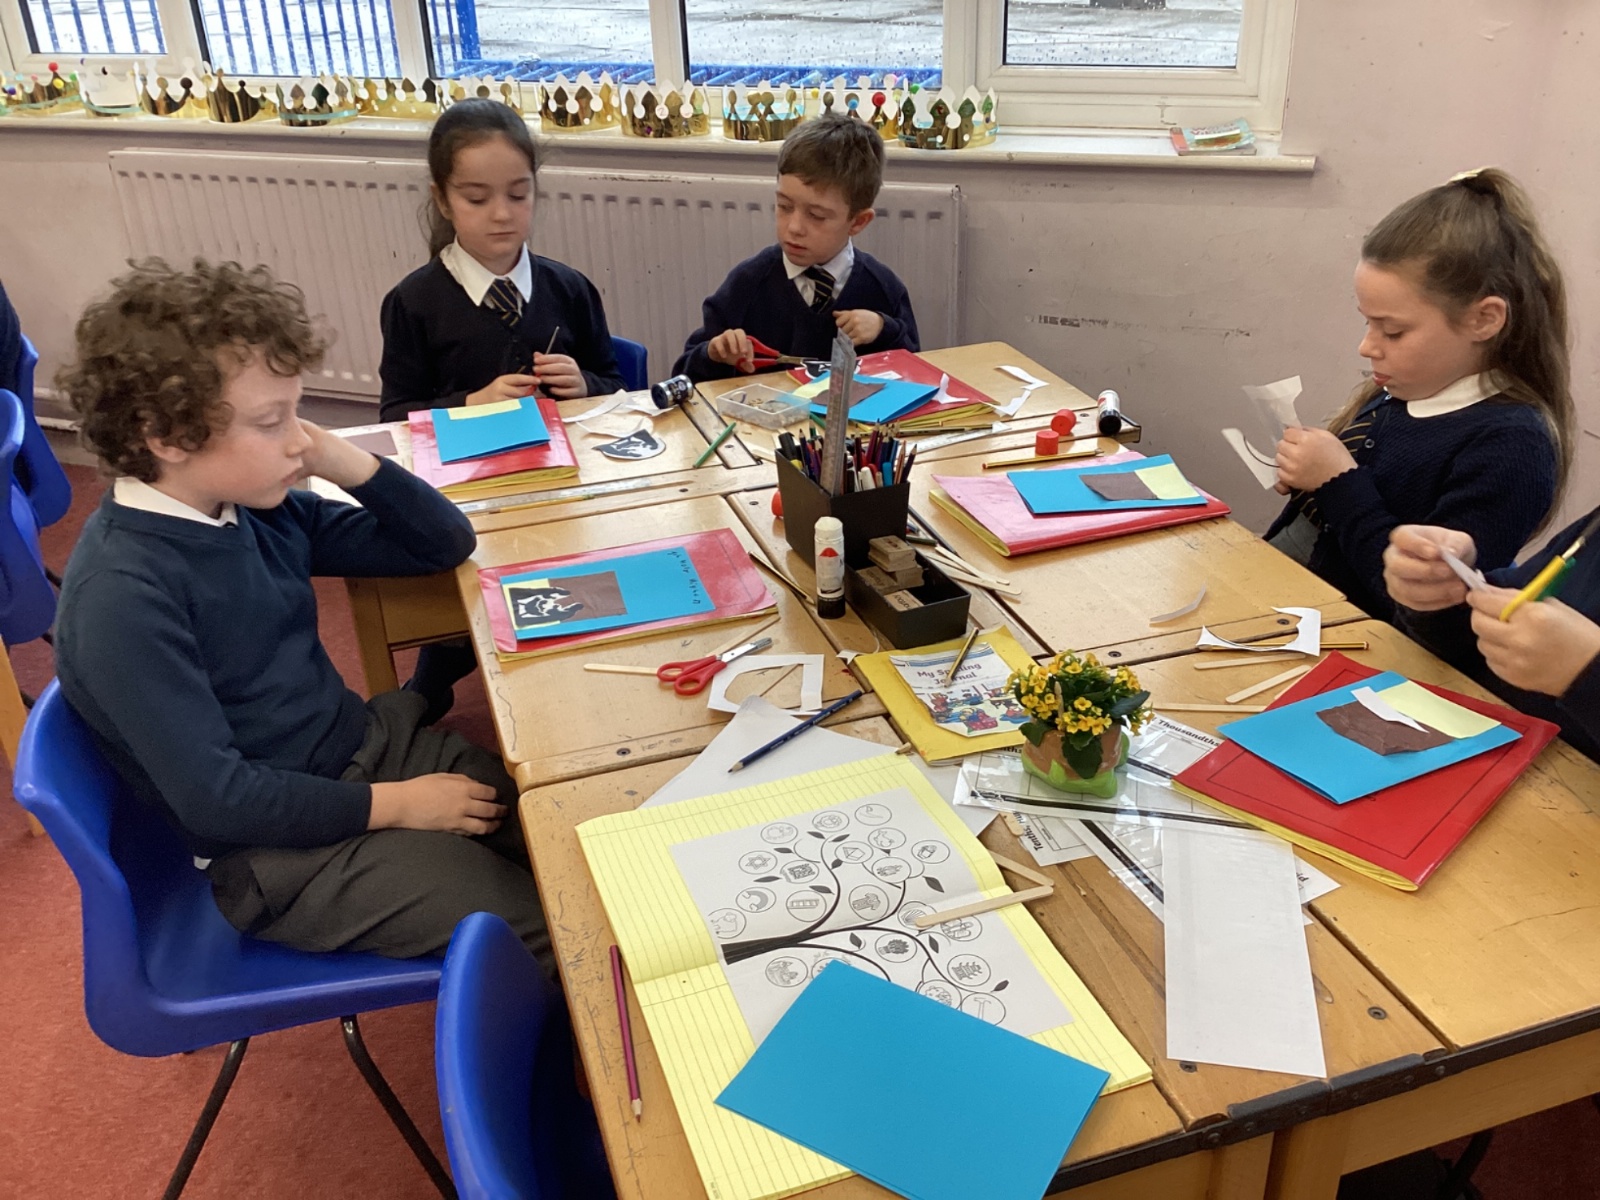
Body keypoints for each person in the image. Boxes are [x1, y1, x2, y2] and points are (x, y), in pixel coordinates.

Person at [54, 257, 548, 965]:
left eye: (298, 413)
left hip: (365, 752)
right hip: (282, 854)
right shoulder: (122, 597)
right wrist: (400, 807)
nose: (298, 440)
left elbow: (443, 543)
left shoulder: (250, 506)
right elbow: (220, 801)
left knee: (572, 834)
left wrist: (341, 459)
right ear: (166, 437)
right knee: (553, 930)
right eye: (271, 421)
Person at [379, 98, 624, 720]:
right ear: (442, 200)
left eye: (519, 194)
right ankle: (441, 662)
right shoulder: (414, 303)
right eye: (476, 197)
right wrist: (469, 404)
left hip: (563, 493)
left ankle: (561, 673)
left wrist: (585, 383)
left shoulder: (570, 288)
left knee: (571, 592)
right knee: (472, 590)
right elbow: (395, 416)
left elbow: (616, 385)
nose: (502, 213)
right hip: (468, 502)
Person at [1264, 168, 1574, 623]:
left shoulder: (1512, 446)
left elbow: (1421, 606)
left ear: (1484, 319)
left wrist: (1337, 482)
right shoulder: (1408, 390)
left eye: (1392, 330)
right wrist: (1309, 479)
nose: (1367, 346)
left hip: (1371, 646)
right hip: (1290, 603)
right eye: (1368, 322)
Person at [673, 113, 919, 382]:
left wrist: (884, 330)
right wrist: (714, 355)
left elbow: (916, 376)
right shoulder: (748, 284)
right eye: (784, 206)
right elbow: (684, 377)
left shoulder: (883, 289)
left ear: (858, 222)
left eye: (816, 215)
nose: (794, 227)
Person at [1383, 516, 1600, 762]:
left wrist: (1586, 672)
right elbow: (1505, 622)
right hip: (1477, 738)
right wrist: (1447, 595)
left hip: (1556, 774)